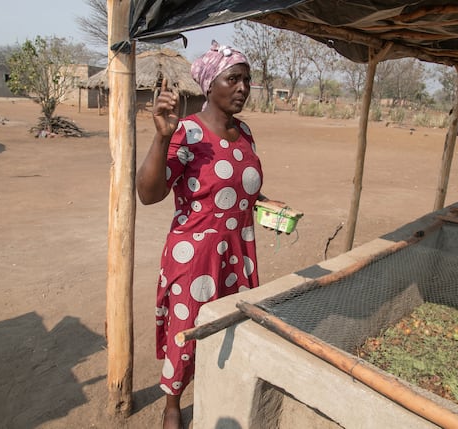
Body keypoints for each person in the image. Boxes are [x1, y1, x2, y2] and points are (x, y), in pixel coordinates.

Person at [136, 41, 280, 429]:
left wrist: (267, 204)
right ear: (209, 84)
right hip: (195, 256)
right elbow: (149, 195)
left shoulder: (246, 132)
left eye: (247, 80)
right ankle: (172, 404)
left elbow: (238, 186)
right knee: (186, 331)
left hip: (238, 252)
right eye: (233, 78)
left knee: (231, 325)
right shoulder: (187, 132)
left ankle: (216, 387)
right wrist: (162, 137)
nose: (243, 87)